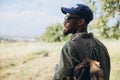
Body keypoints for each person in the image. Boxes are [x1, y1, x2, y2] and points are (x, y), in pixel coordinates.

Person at [52, 4, 110, 80]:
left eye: (68, 18)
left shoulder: (70, 46)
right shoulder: (101, 46)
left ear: (80, 21)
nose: (64, 22)